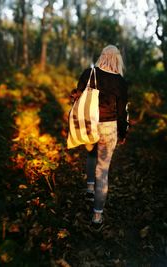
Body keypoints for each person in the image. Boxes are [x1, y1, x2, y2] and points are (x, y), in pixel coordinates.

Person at [72, 45, 129, 230]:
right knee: (102, 172)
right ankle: (97, 217)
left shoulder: (89, 73)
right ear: (117, 59)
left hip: (90, 124)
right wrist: (122, 133)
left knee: (91, 154)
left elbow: (77, 96)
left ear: (102, 56)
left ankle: (89, 189)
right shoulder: (120, 82)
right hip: (109, 127)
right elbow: (122, 112)